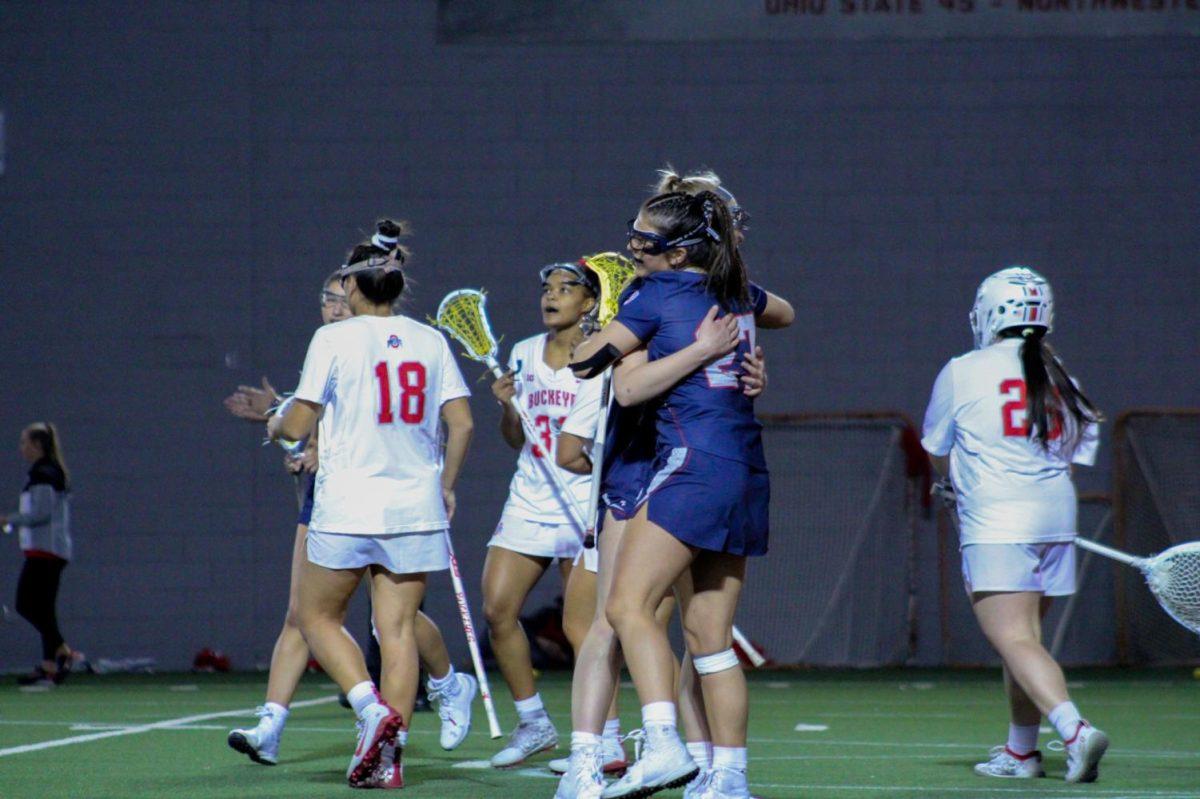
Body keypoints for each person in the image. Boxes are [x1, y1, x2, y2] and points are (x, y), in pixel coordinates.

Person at [570, 190, 792, 799]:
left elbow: (595, 369)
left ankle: (663, 743)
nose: (635, 245)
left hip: (691, 464)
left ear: (683, 249)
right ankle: (729, 778)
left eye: (646, 238)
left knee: (625, 608)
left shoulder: (657, 292)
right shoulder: (736, 290)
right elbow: (785, 313)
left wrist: (594, 331)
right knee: (710, 644)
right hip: (745, 467)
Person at [227, 263, 473, 767]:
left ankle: (368, 705)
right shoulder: (428, 339)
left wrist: (275, 424)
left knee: (314, 616)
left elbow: (299, 420)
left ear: (355, 290)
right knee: (396, 628)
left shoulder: (333, 338)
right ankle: (389, 759)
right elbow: (463, 423)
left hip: (349, 506)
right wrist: (444, 485)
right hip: (414, 506)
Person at [921, 266, 1107, 783]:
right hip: (1055, 515)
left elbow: (937, 448)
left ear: (989, 313)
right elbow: (1073, 454)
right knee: (1024, 640)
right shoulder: (1059, 372)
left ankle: (1073, 730)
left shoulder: (964, 368)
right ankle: (1021, 752)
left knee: (1014, 639)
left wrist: (952, 486)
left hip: (998, 518)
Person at [482, 262, 600, 768]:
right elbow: (516, 439)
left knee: (583, 631)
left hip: (586, 502)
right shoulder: (524, 353)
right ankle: (533, 723)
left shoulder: (605, 355)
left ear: (589, 302)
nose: (551, 296)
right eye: (546, 289)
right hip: (530, 498)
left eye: (565, 289)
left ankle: (594, 740)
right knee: (497, 609)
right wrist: (508, 407)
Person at [1, 423, 75, 687]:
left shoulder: (44, 474)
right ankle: (49, 666)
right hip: (45, 550)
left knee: (26, 604)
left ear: (38, 445)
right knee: (43, 609)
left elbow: (40, 514)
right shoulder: (43, 473)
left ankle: (62, 651)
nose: (21, 448)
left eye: (24, 442)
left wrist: (8, 520)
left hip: (47, 551)